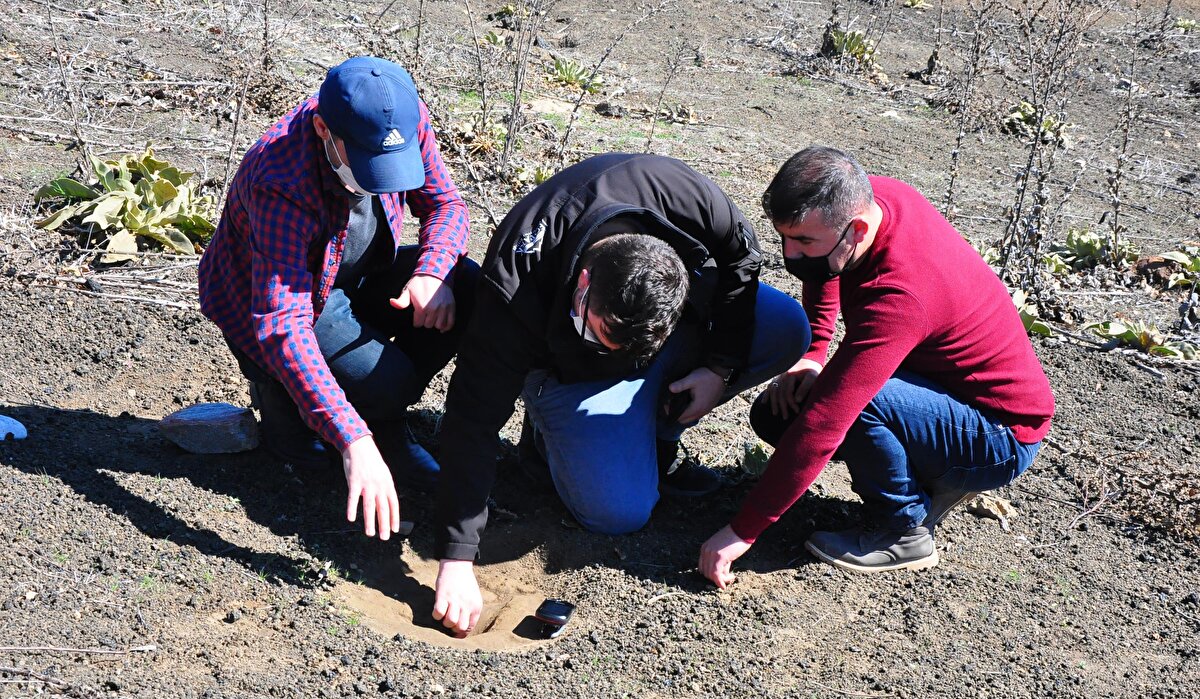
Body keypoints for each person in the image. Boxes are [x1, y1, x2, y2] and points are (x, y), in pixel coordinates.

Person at [429, 153, 812, 636]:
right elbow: (472, 419)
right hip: (567, 373)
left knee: (784, 326)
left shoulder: (683, 195)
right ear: (582, 284)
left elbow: (741, 258)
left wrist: (719, 366)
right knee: (618, 514)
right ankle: (549, 442)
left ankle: (651, 434)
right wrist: (457, 558)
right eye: (599, 333)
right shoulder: (517, 281)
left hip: (662, 336)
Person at [699, 145, 1054, 585]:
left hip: (999, 435)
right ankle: (929, 474)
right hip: (945, 389)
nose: (791, 254)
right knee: (779, 415)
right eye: (785, 238)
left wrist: (742, 532)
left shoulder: (901, 298)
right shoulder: (878, 200)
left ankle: (902, 530)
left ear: (856, 229)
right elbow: (825, 272)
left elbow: (829, 420)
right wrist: (814, 352)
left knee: (851, 405)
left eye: (804, 242)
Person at [198, 56, 475, 540]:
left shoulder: (400, 118)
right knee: (320, 436)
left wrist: (433, 271)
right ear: (325, 130)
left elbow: (446, 204)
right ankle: (301, 412)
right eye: (368, 166)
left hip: (357, 269)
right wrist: (352, 441)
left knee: (466, 285)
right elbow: (282, 323)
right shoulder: (279, 177)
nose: (380, 180)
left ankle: (379, 420)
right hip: (276, 300)